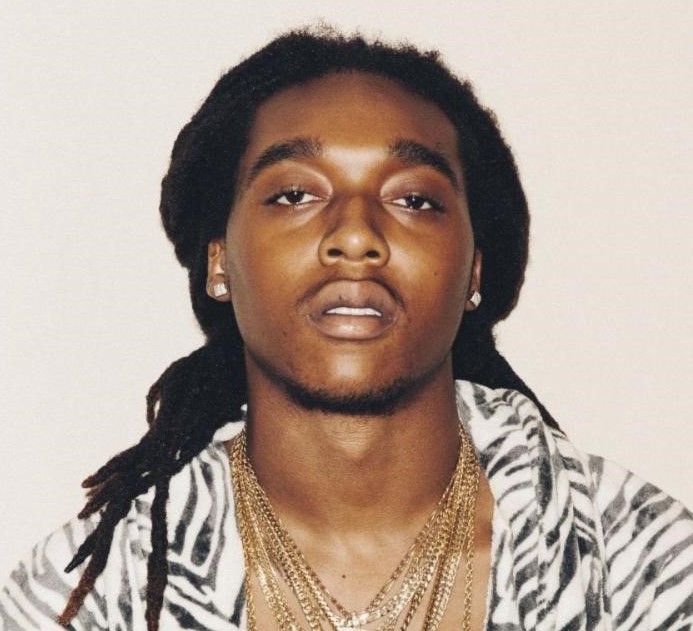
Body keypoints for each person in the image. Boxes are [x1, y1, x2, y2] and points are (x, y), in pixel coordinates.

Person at [1, 27, 692, 631]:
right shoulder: (91, 596)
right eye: (294, 194)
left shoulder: (642, 567)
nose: (356, 235)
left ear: (475, 269)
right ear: (219, 263)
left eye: (413, 199)